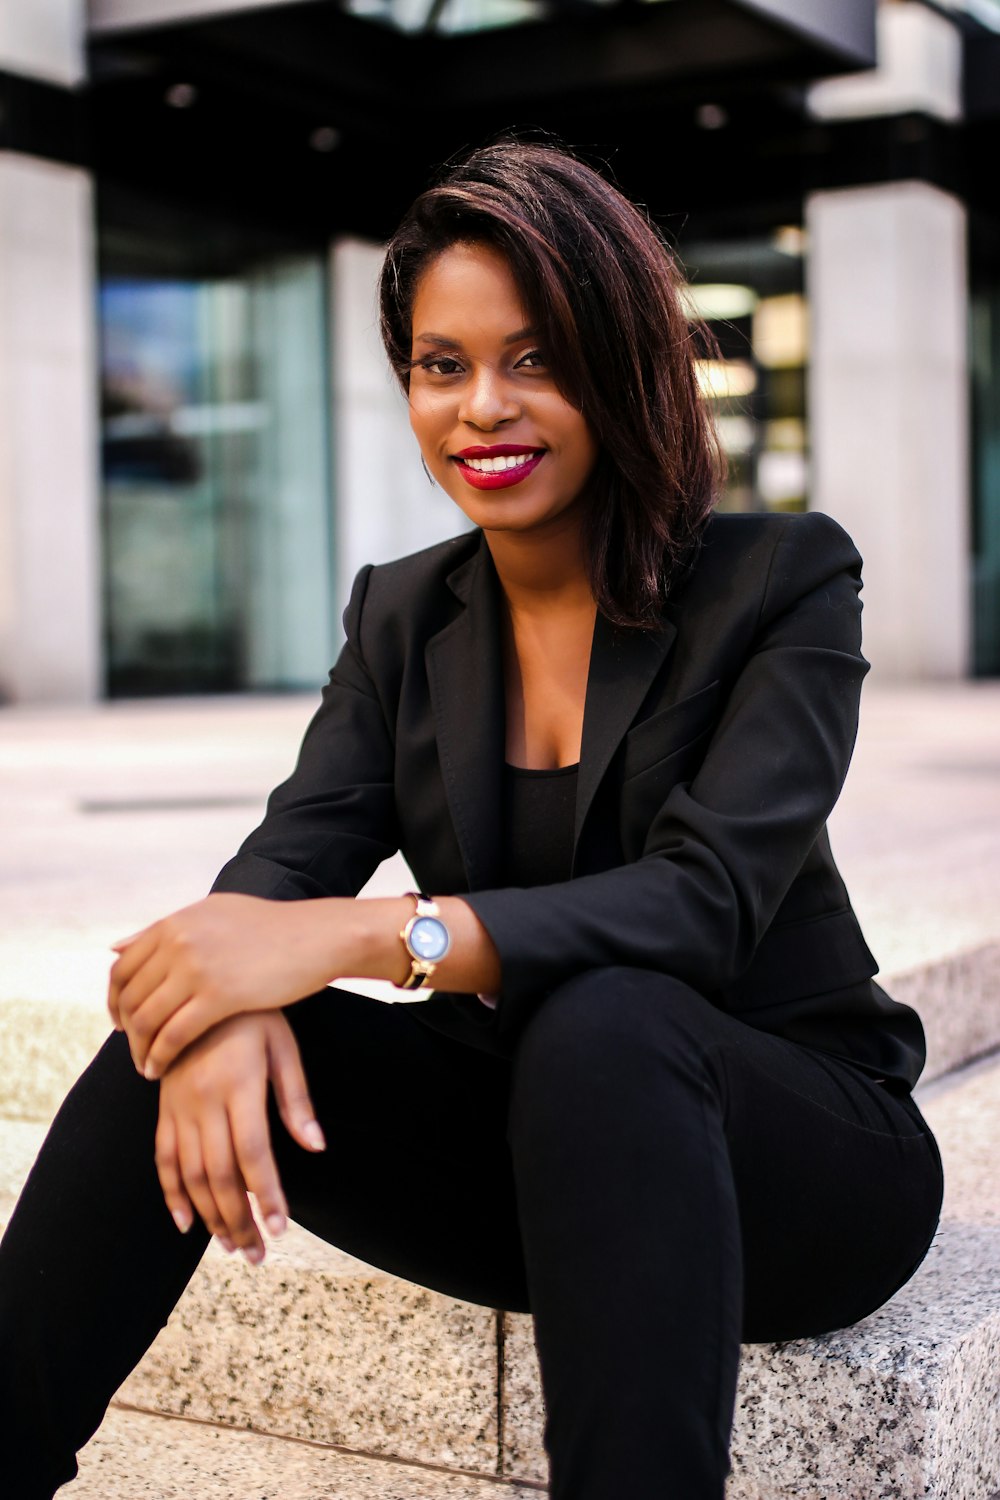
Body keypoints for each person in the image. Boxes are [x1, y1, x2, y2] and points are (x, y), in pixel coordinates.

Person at [1, 141, 943, 1500]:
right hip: (532, 1160)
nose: (481, 408)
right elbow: (285, 857)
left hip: (790, 1155)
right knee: (181, 1017)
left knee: (607, 1018)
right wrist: (221, 994)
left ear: (619, 364)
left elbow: (702, 902)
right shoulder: (403, 612)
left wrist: (364, 936)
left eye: (536, 358)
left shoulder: (783, 580)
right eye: (442, 365)